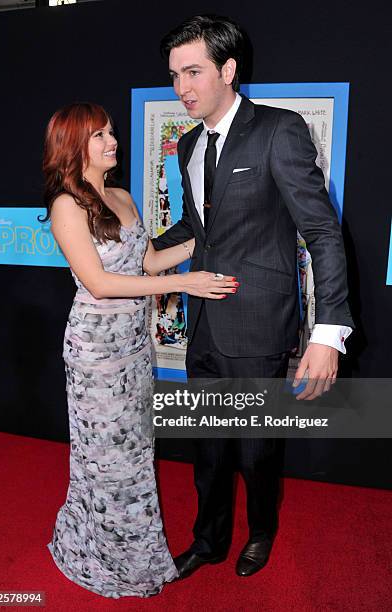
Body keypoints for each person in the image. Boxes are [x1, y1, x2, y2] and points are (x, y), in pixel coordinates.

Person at [153, 15, 354, 580]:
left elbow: (321, 232)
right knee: (208, 448)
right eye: (174, 76)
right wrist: (135, 254)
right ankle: (209, 540)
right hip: (204, 328)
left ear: (229, 69)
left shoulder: (278, 130)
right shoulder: (188, 145)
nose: (182, 88)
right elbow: (197, 229)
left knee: (256, 449)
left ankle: (261, 531)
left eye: (193, 72)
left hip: (261, 323)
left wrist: (327, 332)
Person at [42, 102, 238, 599]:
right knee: (105, 459)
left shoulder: (123, 197)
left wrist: (204, 242)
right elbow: (101, 283)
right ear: (73, 145)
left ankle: (129, 551)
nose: (112, 141)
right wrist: (188, 284)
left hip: (133, 348)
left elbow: (148, 261)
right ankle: (106, 557)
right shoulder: (67, 204)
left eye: (111, 132)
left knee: (134, 454)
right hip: (95, 353)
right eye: (99, 135)